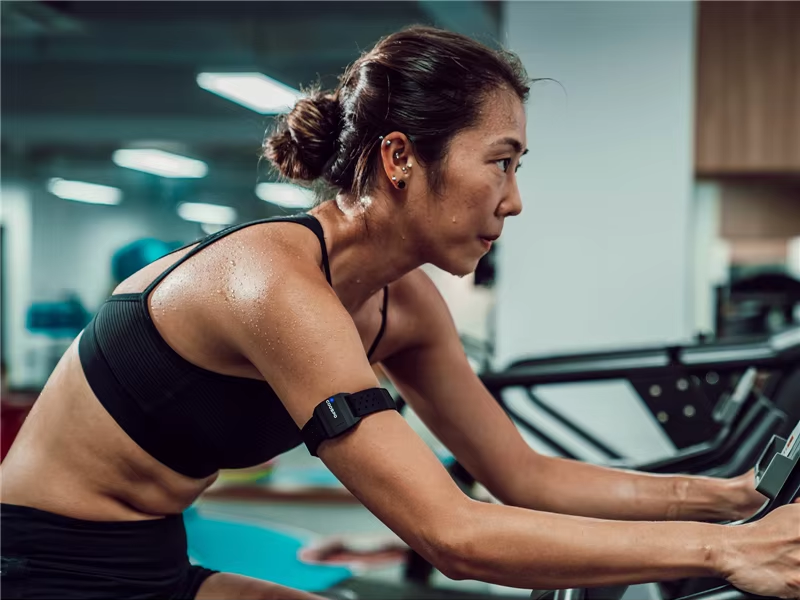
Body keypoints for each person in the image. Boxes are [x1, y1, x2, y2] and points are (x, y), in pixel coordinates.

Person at [1, 25, 798, 600]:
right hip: (41, 569)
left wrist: (727, 499)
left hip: (155, 558)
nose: (514, 201)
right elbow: (450, 536)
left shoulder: (400, 304)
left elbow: (521, 476)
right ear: (398, 158)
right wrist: (725, 552)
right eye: (501, 164)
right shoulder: (271, 282)